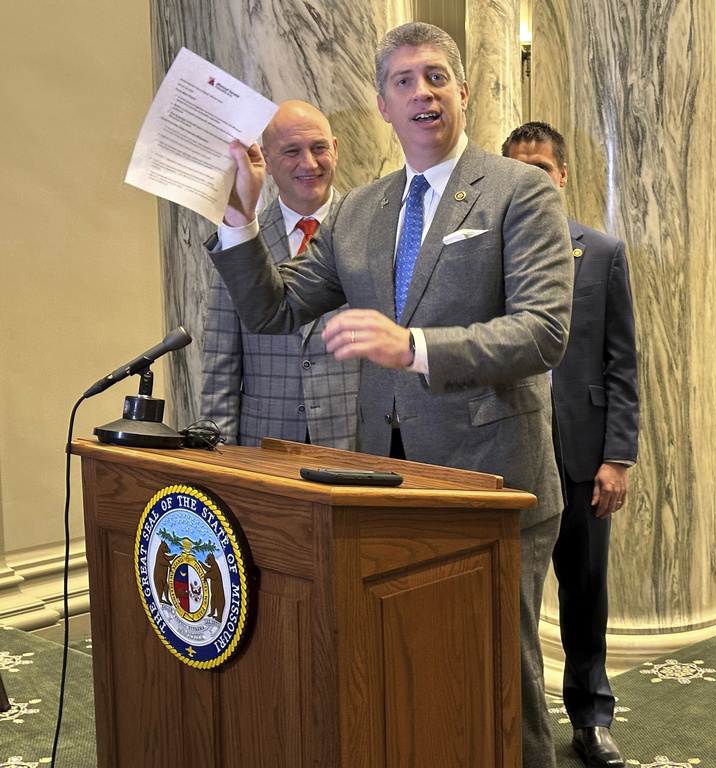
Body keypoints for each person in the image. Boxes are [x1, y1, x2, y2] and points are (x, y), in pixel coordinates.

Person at [207, 23, 573, 767]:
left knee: (503, 674)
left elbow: (543, 332)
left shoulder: (520, 191)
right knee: (413, 666)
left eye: (436, 77)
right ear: (382, 104)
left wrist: (415, 348)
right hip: (387, 480)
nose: (422, 93)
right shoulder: (359, 212)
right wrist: (240, 219)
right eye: (404, 81)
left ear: (463, 94)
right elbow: (274, 309)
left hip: (492, 473)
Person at [502, 122, 638, 768]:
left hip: (583, 458)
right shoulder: (489, 251)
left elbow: (622, 366)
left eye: (542, 167)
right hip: (509, 457)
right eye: (519, 167)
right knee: (514, 601)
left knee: (586, 593)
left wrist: (619, 457)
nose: (532, 177)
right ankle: (516, 721)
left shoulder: (604, 253)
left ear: (563, 176)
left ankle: (591, 718)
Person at [200, 100, 359, 449]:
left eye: (319, 148)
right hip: (266, 444)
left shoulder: (366, 230)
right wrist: (220, 457)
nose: (309, 163)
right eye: (292, 151)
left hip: (353, 444)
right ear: (267, 162)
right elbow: (221, 363)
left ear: (335, 149)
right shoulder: (239, 240)